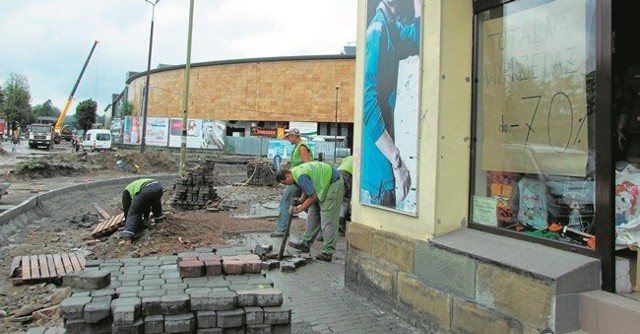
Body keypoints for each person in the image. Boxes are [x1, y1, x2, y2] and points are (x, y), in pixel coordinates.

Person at [361, 0, 421, 208]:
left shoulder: (393, 27)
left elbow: (418, 40)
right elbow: (366, 103)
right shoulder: (378, 29)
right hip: (379, 176)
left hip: (384, 171)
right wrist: (397, 163)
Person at [276, 161, 345, 262]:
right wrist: (300, 200)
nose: (286, 185)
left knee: (327, 218)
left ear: (287, 176)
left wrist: (298, 209)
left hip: (333, 183)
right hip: (322, 184)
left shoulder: (300, 176)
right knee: (313, 214)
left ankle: (327, 252)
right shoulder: (295, 173)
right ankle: (305, 243)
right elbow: (306, 189)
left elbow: (312, 197)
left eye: (285, 183)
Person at [270, 128, 313, 237]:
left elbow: (308, 164)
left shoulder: (302, 147)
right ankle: (322, 228)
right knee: (309, 206)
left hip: (299, 178)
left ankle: (282, 229)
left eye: (289, 137)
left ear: (295, 136)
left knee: (285, 201)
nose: (288, 139)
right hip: (297, 177)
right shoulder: (298, 147)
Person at [617, 64, 640, 166]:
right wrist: (619, 129)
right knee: (633, 164)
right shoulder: (633, 71)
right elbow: (627, 104)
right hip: (636, 131)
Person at [337, 155, 353, 234]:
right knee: (346, 199)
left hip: (338, 173)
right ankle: (341, 221)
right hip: (348, 174)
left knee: (339, 198)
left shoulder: (348, 157)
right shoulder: (360, 157)